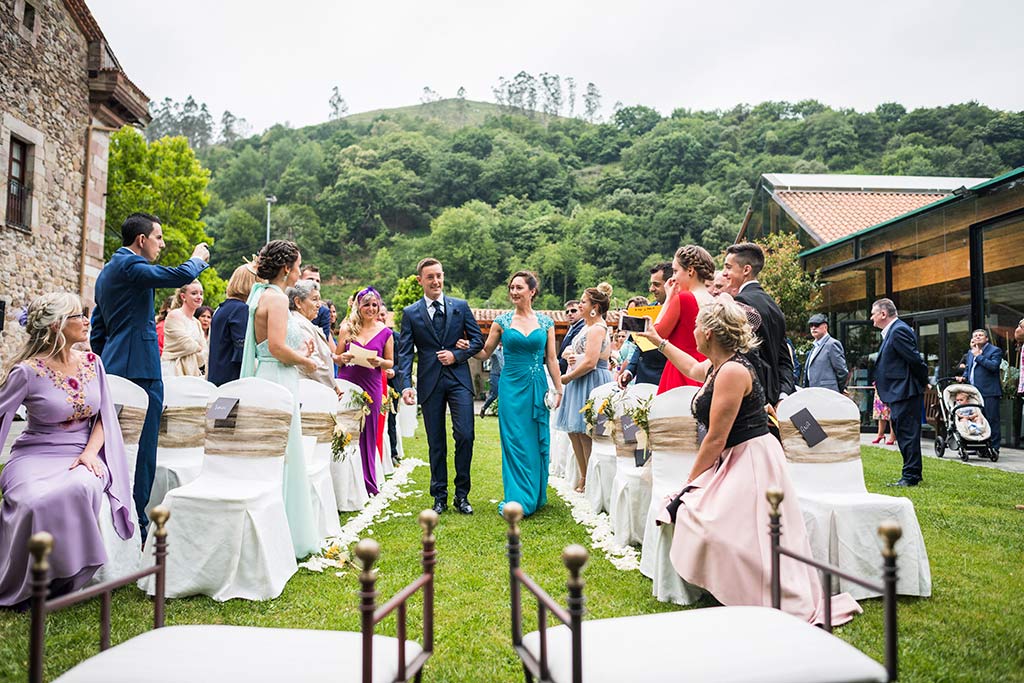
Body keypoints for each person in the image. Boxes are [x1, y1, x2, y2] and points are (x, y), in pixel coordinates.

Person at [640, 299, 860, 626]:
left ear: (711, 333)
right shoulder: (719, 364)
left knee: (718, 522)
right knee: (712, 518)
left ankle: (757, 591)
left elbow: (716, 437)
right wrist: (658, 341)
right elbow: (691, 369)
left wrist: (689, 482)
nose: (694, 332)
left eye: (697, 326)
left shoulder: (731, 371)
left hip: (751, 460)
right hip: (736, 458)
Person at [1, 293, 135, 607]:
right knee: (33, 499)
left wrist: (90, 453)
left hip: (81, 452)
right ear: (57, 325)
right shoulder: (27, 372)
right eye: (79, 315)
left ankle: (67, 577)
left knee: (82, 486)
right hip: (34, 455)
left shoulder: (93, 362)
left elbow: (104, 416)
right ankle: (26, 582)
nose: (87, 321)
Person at [90, 212, 209, 538]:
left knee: (111, 448)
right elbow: (178, 276)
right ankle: (137, 529)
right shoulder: (131, 265)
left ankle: (105, 519)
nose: (162, 243)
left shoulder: (106, 273)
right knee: (142, 452)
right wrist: (198, 259)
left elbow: (97, 331)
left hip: (114, 369)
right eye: (158, 237)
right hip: (141, 371)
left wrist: (102, 368)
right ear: (141, 240)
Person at [240, 239, 321, 557]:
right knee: (283, 457)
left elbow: (269, 348)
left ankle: (280, 530)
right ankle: (282, 535)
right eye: (299, 266)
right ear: (286, 269)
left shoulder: (264, 294)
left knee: (283, 456)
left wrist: (299, 352)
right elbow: (274, 347)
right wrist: (306, 361)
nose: (301, 272)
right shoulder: (274, 298)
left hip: (275, 375)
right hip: (278, 381)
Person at [397, 258, 484, 515]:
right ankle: (439, 496)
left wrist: (456, 355)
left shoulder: (460, 306)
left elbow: (478, 339)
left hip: (458, 379)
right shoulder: (411, 313)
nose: (436, 281)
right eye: (430, 277)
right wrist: (405, 386)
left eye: (439, 276)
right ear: (420, 281)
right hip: (430, 381)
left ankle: (462, 495)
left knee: (465, 435)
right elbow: (404, 354)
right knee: (436, 442)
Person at [472, 271, 562, 516]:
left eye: (519, 287)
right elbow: (485, 352)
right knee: (514, 442)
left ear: (532, 291)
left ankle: (534, 493)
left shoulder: (546, 323)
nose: (513, 292)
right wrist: (466, 348)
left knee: (533, 440)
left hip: (536, 386)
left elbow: (552, 359)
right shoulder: (501, 321)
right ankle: (517, 498)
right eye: (511, 287)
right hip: (511, 388)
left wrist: (559, 388)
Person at [555, 283, 614, 493]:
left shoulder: (598, 328)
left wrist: (567, 377)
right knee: (574, 431)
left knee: (587, 432)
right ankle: (584, 474)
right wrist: (567, 355)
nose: (579, 304)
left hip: (591, 379)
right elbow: (570, 349)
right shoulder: (586, 327)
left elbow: (590, 361)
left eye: (583, 301)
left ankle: (589, 479)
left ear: (594, 307)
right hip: (578, 379)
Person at [338, 287, 395, 496]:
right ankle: (343, 481)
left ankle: (367, 480)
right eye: (366, 305)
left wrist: (380, 361)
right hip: (347, 381)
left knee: (368, 433)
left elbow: (390, 362)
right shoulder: (347, 328)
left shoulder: (385, 332)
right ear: (358, 306)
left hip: (371, 384)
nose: (370, 309)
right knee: (346, 430)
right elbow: (335, 357)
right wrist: (341, 358)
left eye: (374, 305)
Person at [723, 242, 795, 405]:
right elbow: (784, 359)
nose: (724, 273)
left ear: (746, 270)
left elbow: (749, 355)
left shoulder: (741, 303)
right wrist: (783, 395)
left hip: (754, 398)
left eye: (728, 267)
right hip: (775, 397)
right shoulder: (774, 305)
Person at [870, 298, 929, 487]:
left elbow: (915, 360)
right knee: (903, 433)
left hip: (905, 391)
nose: (871, 317)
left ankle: (910, 476)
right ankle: (911, 473)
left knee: (908, 434)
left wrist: (922, 382)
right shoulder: (892, 332)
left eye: (873, 313)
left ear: (883, 314)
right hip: (898, 392)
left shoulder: (899, 330)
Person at [653, 245, 715, 393]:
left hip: (681, 369)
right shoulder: (714, 301)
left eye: (675, 271)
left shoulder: (684, 298)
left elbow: (656, 333)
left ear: (690, 271)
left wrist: (668, 299)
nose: (673, 277)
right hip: (707, 369)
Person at [618, 263, 671, 388]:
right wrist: (630, 370)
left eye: (656, 285)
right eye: (651, 284)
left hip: (663, 381)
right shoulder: (650, 308)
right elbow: (640, 345)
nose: (651, 289)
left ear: (670, 284)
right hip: (641, 381)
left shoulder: (678, 310)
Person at [207, 261, 259, 386]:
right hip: (232, 379)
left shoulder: (222, 308)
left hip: (216, 375)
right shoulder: (240, 309)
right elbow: (242, 350)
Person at [287, 279, 337, 392]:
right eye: (314, 299)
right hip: (308, 388)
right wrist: (333, 386)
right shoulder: (300, 325)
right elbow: (313, 361)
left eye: (319, 299)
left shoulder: (304, 322)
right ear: (298, 302)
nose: (319, 305)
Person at [960, 329, 1003, 454]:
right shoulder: (970, 352)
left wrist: (979, 356)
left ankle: (993, 448)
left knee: (991, 420)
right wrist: (964, 376)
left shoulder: (995, 351)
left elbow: (993, 366)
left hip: (989, 392)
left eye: (980, 335)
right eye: (975, 336)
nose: (977, 337)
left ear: (987, 338)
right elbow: (969, 369)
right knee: (977, 420)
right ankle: (980, 447)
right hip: (973, 393)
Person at [160, 280, 207, 377]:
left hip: (192, 372)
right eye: (194, 293)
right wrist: (198, 348)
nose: (199, 297)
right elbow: (186, 344)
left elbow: (204, 353)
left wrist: (199, 350)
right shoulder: (174, 315)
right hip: (172, 370)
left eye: (201, 294)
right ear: (183, 296)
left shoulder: (196, 322)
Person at [801, 314, 848, 392]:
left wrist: (838, 390)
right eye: (811, 325)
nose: (813, 328)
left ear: (825, 327)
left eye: (817, 325)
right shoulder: (814, 347)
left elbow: (842, 371)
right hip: (813, 393)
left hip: (828, 393)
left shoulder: (832, 344)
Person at [300, 265, 334, 347]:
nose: (314, 283)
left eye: (317, 281)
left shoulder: (323, 311)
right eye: (310, 279)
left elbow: (323, 341)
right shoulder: (287, 303)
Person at [558, 300, 584, 375]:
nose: (569, 314)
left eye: (573, 311)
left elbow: (573, 349)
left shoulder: (581, 327)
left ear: (581, 311)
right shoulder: (573, 327)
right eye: (567, 312)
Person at [479, 344, 503, 417]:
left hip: (504, 375)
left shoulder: (506, 350)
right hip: (495, 374)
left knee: (505, 395)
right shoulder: (494, 350)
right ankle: (484, 408)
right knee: (494, 394)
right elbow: (486, 353)